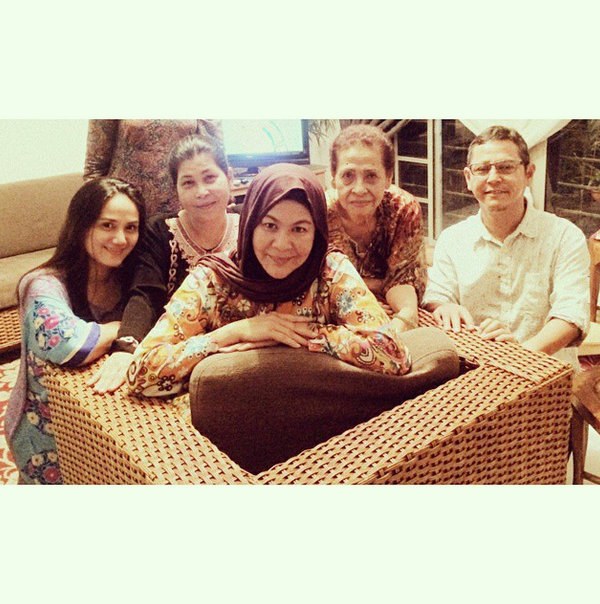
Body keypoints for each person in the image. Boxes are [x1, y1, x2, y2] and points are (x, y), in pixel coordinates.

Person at [127, 163, 412, 398]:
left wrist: (301, 335)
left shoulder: (330, 272)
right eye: (270, 225)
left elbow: (393, 355)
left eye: (299, 229)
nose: (282, 244)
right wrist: (235, 333)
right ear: (250, 224)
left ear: (317, 233)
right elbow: (140, 373)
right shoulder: (214, 280)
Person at [4, 178, 146, 484]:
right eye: (107, 225)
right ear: (81, 226)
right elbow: (70, 345)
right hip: (44, 434)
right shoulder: (42, 284)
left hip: (103, 424)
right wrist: (122, 328)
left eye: (131, 228)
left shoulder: (131, 281)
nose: (120, 239)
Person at [423, 125, 589, 367]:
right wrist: (444, 305)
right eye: (482, 169)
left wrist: (518, 357)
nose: (493, 178)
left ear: (529, 173)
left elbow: (571, 315)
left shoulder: (564, 236)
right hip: (476, 370)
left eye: (505, 167)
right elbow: (437, 294)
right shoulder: (452, 239)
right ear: (468, 178)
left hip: (546, 372)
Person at [88, 134, 239, 393]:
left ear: (229, 177)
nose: (202, 192)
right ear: (176, 189)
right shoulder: (161, 231)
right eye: (188, 183)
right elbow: (145, 295)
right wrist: (125, 347)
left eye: (210, 178)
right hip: (177, 354)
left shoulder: (252, 227)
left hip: (237, 348)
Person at [327, 124, 427, 331]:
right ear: (333, 178)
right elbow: (319, 287)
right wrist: (376, 286)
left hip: (389, 302)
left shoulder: (403, 210)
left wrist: (406, 316)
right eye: (348, 175)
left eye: (371, 176)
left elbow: (402, 279)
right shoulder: (317, 213)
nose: (359, 189)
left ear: (388, 178)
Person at [84, 119, 222, 214]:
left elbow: (215, 155)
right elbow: (95, 167)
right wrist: (98, 212)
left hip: (181, 210)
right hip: (126, 209)